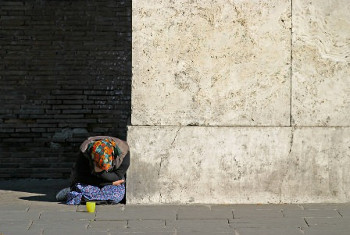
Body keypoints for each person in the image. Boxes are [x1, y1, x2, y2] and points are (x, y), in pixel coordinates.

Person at [56, 136, 130, 205]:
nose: (106, 169)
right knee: (82, 188)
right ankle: (72, 191)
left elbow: (117, 176)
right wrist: (107, 181)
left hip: (112, 180)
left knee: (117, 195)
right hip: (91, 180)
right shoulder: (85, 152)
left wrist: (101, 173)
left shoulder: (123, 153)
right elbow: (81, 176)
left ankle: (83, 197)